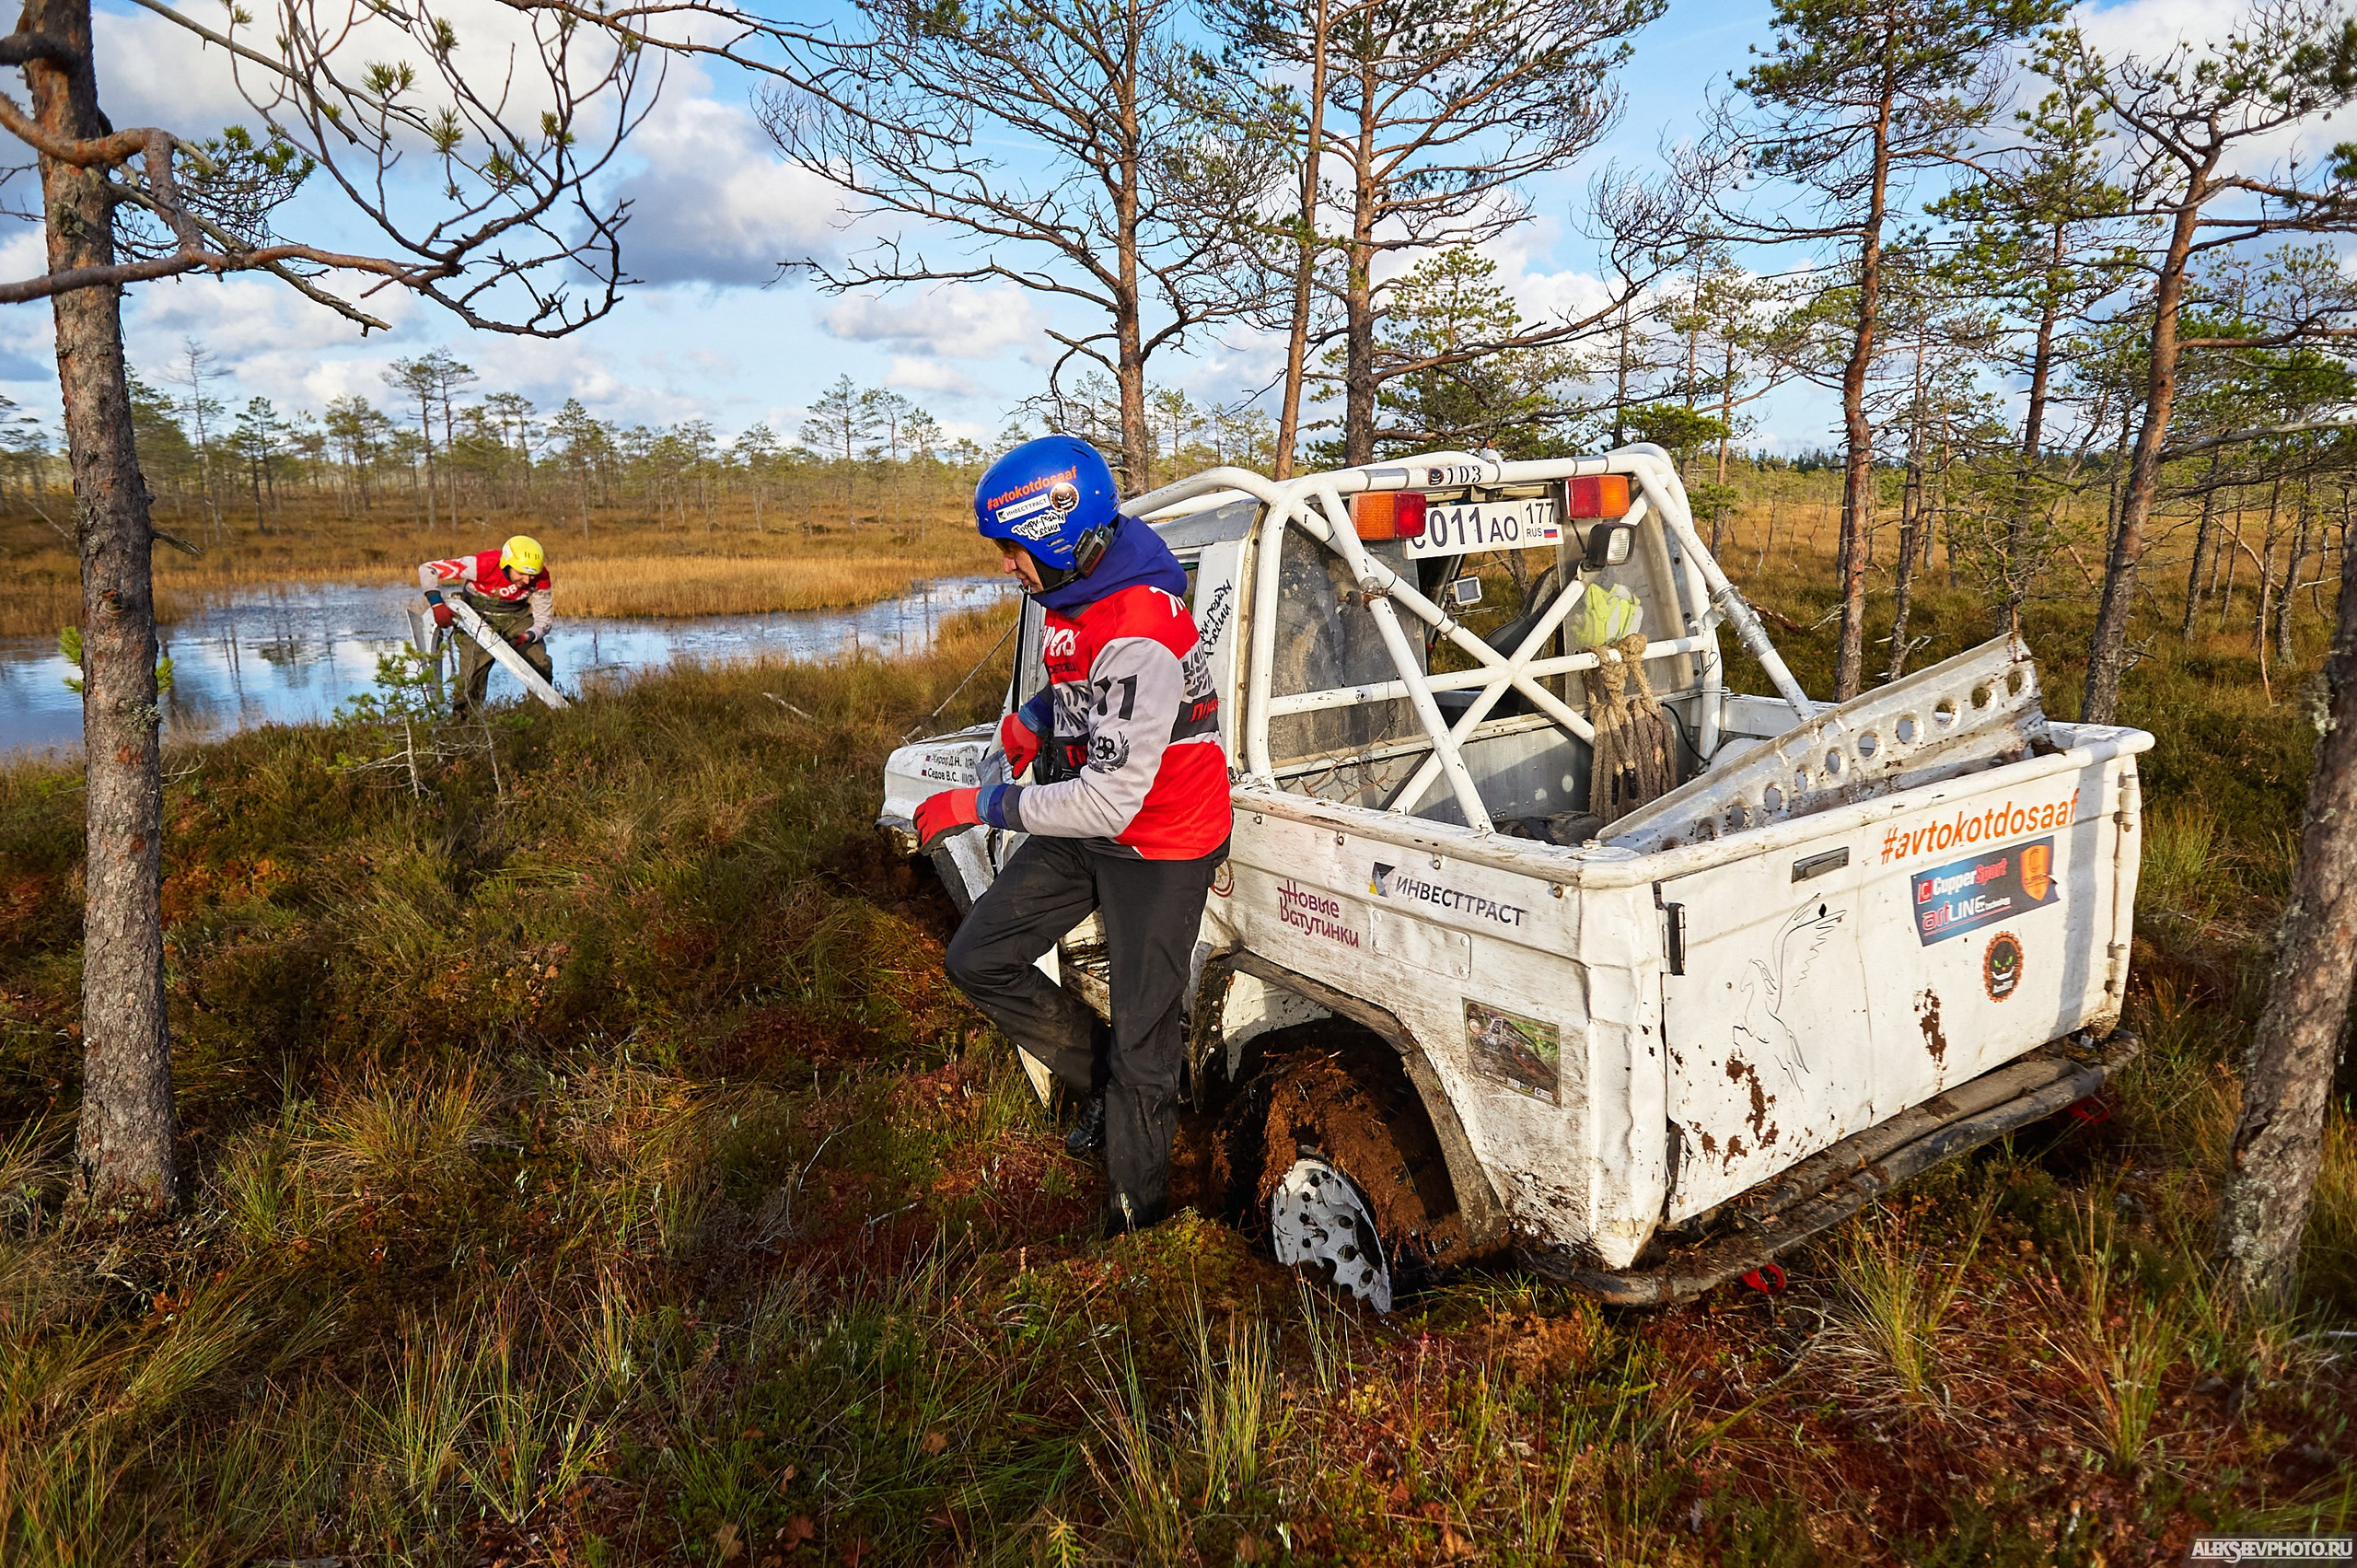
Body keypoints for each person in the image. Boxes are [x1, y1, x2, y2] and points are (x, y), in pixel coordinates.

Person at [915, 436, 1229, 1237]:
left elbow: (1109, 801)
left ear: (1055, 536)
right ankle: (1105, 1082)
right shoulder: (1079, 589)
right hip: (1095, 815)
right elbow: (1085, 688)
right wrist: (1034, 717)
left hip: (1160, 840)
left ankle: (1138, 1223)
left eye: (1012, 550)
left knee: (1146, 1037)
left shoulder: (1138, 629)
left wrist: (979, 804)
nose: (1007, 567)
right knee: (978, 957)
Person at [418, 535, 554, 714]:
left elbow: (544, 621)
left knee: (540, 663)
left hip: (516, 616)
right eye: (521, 573)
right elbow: (428, 569)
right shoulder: (483, 564)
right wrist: (436, 603)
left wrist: (528, 636)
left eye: (532, 575)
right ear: (507, 564)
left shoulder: (542, 577)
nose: (528, 581)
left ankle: (540, 714)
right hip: (475, 614)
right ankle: (464, 721)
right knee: (471, 674)